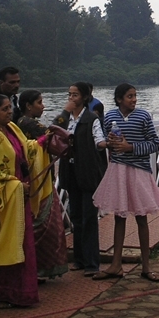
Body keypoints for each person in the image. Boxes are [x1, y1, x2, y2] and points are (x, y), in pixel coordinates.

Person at [0, 94, 52, 307]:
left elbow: (28, 148)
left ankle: (21, 293)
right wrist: (17, 185)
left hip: (19, 196)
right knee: (5, 244)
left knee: (22, 243)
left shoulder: (11, 129)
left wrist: (44, 142)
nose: (9, 112)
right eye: (4, 109)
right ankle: (1, 294)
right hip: (6, 199)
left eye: (10, 108)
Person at [92, 83, 159, 282]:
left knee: (141, 217)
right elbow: (108, 142)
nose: (133, 100)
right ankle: (115, 265)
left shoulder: (143, 116)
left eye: (134, 96)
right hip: (118, 171)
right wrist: (112, 145)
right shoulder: (110, 118)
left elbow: (154, 143)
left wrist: (130, 147)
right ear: (119, 99)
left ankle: (146, 267)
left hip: (138, 171)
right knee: (119, 217)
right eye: (129, 96)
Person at [15, 90, 70, 281]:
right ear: (28, 106)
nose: (43, 106)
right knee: (42, 225)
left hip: (36, 178)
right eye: (39, 102)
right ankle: (37, 269)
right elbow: (50, 133)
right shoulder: (27, 123)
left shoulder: (20, 123)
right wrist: (67, 112)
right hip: (36, 180)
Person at [54, 82, 108, 276]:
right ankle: (79, 258)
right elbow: (52, 131)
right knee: (75, 215)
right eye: (69, 94)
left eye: (75, 95)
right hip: (71, 171)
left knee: (89, 217)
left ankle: (92, 262)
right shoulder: (66, 119)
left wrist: (107, 143)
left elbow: (99, 140)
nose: (71, 98)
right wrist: (64, 112)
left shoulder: (91, 119)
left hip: (88, 173)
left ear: (85, 97)